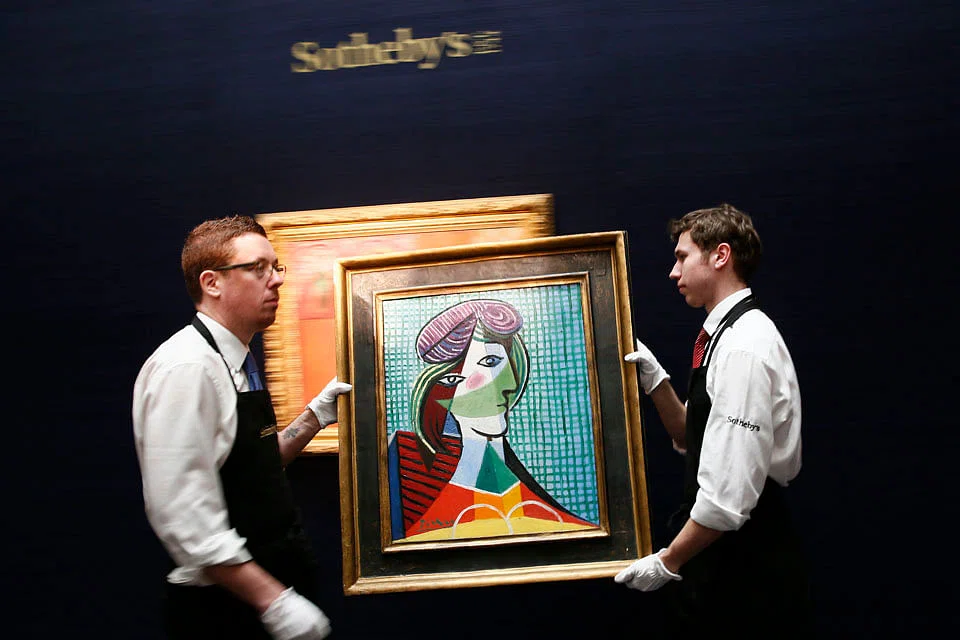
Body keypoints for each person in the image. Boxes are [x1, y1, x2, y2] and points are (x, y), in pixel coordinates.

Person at [132, 215, 352, 640]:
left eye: (276, 266)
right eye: (257, 268)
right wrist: (273, 601)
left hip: (265, 586)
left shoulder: (236, 359)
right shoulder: (187, 367)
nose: (277, 280)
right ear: (212, 283)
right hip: (225, 611)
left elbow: (251, 468)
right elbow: (183, 515)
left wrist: (314, 416)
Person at [614, 204, 811, 637]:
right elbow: (694, 437)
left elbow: (728, 497)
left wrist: (668, 562)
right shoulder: (722, 335)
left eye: (682, 257)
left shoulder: (743, 345)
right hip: (723, 553)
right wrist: (656, 381)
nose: (673, 272)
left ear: (720, 255)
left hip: (744, 564)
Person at [390, 298, 595, 542]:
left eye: (495, 362)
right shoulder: (407, 471)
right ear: (444, 387)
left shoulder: (540, 502)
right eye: (454, 379)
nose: (504, 385)